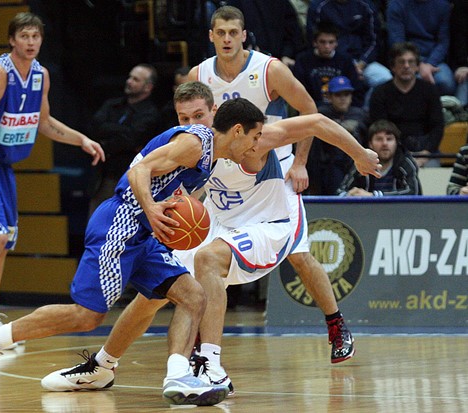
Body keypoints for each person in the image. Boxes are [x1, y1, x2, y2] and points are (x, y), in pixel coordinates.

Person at [40, 82, 380, 395]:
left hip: (271, 221)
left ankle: (213, 365)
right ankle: (102, 366)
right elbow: (161, 182)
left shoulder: (255, 139)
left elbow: (316, 120)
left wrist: (358, 154)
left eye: (198, 115)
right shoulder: (190, 146)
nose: (191, 123)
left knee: (228, 260)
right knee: (155, 291)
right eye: (183, 117)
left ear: (215, 113)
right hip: (222, 224)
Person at [0, 97, 269, 407]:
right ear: (238, 130)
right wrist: (150, 208)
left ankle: (177, 376)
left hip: (144, 235)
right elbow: (139, 170)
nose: (256, 146)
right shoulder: (195, 144)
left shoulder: (212, 159)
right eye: (255, 137)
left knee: (192, 295)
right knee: (87, 316)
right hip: (120, 223)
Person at [191, 5, 356, 360]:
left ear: (244, 34)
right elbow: (193, 128)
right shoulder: (199, 74)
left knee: (297, 254)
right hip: (224, 175)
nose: (227, 39)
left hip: (270, 171)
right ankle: (198, 345)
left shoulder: (268, 69)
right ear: (210, 36)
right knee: (197, 258)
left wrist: (299, 161)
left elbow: (310, 110)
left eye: (233, 32)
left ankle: (336, 324)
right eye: (220, 33)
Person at [0, 13, 104, 329]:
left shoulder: (40, 76)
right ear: (12, 40)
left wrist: (80, 139)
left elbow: (43, 122)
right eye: (24, 36)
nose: (31, 42)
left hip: (3, 166)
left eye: (36, 37)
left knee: (5, 240)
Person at [88, 63, 161, 213]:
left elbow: (132, 139)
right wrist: (123, 133)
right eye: (129, 77)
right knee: (97, 221)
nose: (129, 81)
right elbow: (95, 127)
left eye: (136, 79)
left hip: (131, 178)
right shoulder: (112, 105)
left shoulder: (151, 114)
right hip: (102, 175)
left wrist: (107, 140)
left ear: (148, 87)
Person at [369, 42, 445, 168]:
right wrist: (398, 154)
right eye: (401, 62)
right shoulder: (380, 92)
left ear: (417, 67)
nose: (406, 66)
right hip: (391, 150)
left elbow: (437, 126)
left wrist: (425, 154)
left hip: (425, 150)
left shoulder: (430, 91)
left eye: (411, 62)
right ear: (393, 66)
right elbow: (379, 127)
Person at [306, 0, 392, 97]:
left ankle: (365, 110)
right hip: (329, 62)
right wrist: (344, 67)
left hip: (360, 62)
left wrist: (361, 63)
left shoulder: (366, 5)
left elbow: (374, 41)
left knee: (386, 79)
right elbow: (314, 40)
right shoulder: (318, 6)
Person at [310, 76, 367, 194]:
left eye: (346, 94)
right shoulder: (321, 114)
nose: (343, 98)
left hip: (356, 164)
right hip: (329, 165)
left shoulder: (360, 114)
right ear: (329, 97)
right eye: (338, 95)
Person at [386, 0, 456, 97]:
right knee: (413, 83)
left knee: (446, 83)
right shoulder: (396, 4)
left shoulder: (443, 6)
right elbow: (397, 42)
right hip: (406, 59)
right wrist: (417, 63)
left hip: (434, 59)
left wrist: (430, 63)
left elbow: (443, 42)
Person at [338, 119, 421, 196]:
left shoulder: (406, 163)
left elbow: (413, 192)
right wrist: (349, 195)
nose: (384, 143)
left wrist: (373, 196)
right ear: (370, 144)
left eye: (389, 139)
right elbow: (340, 192)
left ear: (396, 143)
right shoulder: (361, 163)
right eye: (379, 139)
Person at [292, 22, 365, 107]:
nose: (327, 46)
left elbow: (356, 89)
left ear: (336, 43)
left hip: (342, 110)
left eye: (331, 42)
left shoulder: (345, 60)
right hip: (312, 109)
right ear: (315, 43)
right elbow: (298, 91)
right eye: (322, 42)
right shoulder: (303, 60)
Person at [227, 0, 307, 68]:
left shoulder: (281, 3)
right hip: (250, 62)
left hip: (281, 61)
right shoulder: (236, 3)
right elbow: (231, 29)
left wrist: (287, 54)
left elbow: (292, 30)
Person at [450, 0, 468, 107]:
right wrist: (464, 64)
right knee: (463, 77)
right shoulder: (462, 5)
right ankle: (460, 113)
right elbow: (458, 38)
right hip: (462, 61)